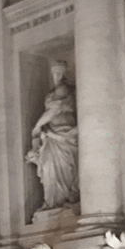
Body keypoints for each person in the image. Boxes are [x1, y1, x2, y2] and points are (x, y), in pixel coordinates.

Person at [26, 60, 79, 211]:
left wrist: (37, 126)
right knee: (50, 167)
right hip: (52, 134)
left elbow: (54, 110)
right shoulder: (52, 92)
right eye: (54, 72)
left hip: (63, 132)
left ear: (64, 74)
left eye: (59, 72)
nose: (56, 76)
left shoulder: (63, 89)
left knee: (64, 168)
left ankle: (63, 198)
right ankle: (53, 201)